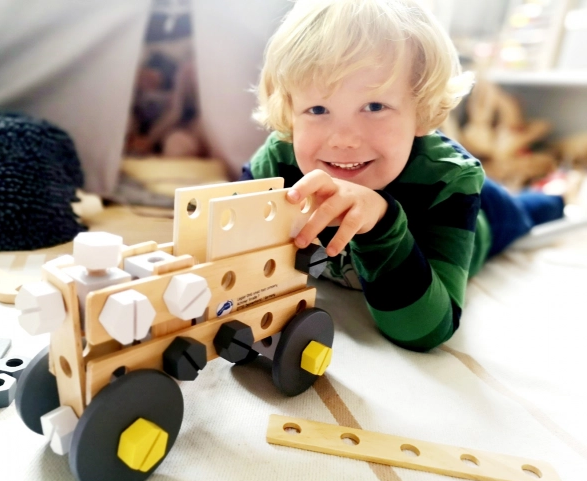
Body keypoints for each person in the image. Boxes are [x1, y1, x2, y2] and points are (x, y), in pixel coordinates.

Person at [240, 0, 565, 351]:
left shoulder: (448, 181)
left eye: (374, 106)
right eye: (317, 109)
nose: (344, 139)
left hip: (485, 214)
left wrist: (381, 225)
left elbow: (426, 331)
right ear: (290, 111)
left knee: (526, 212)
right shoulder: (278, 161)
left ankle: (555, 199)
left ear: (421, 110)